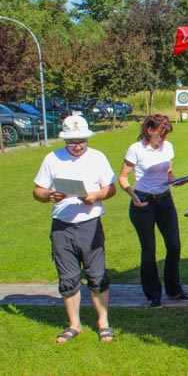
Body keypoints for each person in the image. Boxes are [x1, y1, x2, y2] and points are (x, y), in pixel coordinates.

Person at [33, 115, 116, 343]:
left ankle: (103, 323)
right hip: (62, 226)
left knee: (97, 275)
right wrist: (49, 195)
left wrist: (95, 196)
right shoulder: (52, 158)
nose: (78, 146)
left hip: (90, 223)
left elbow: (110, 189)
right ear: (64, 141)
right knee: (67, 277)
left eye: (82, 141)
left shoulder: (97, 158)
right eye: (72, 142)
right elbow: (38, 191)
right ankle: (74, 324)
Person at [118, 114, 188, 308]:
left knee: (174, 246)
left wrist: (177, 181)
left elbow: (168, 173)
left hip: (165, 200)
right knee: (149, 249)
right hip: (143, 202)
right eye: (162, 134)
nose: (165, 138)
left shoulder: (167, 147)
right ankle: (153, 295)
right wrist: (133, 195)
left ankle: (174, 288)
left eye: (167, 134)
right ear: (150, 130)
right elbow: (123, 177)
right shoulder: (136, 150)